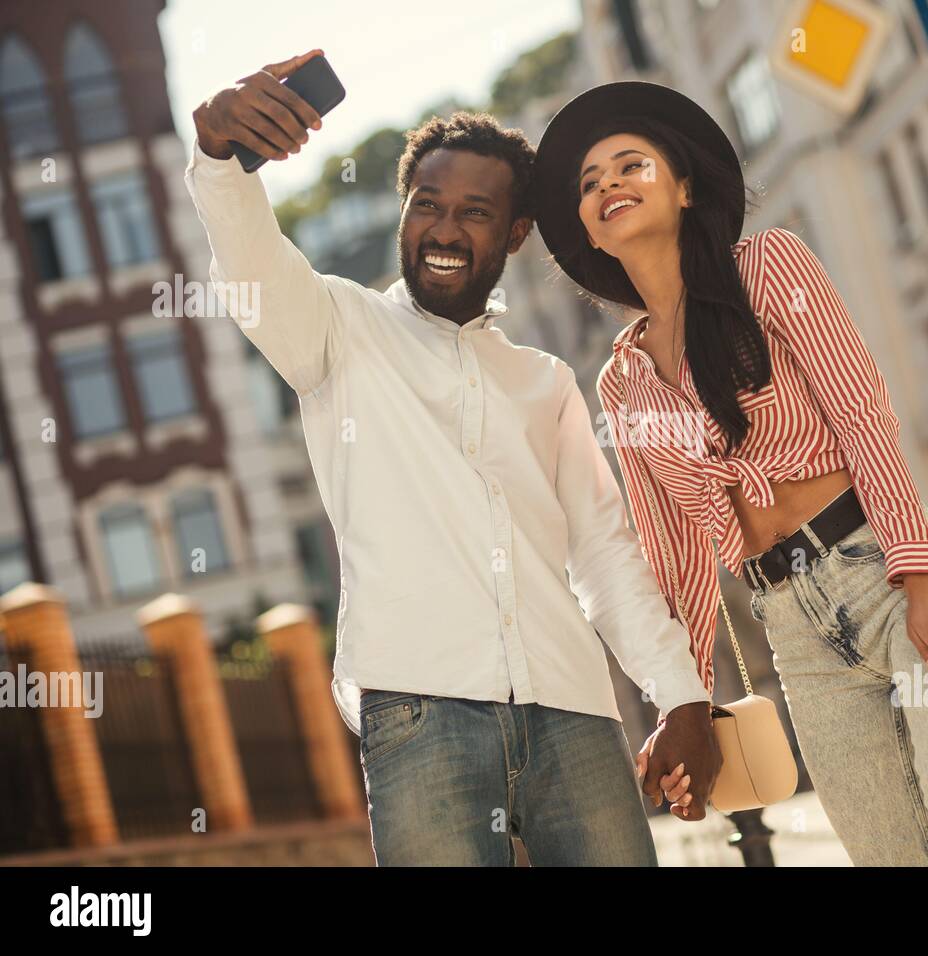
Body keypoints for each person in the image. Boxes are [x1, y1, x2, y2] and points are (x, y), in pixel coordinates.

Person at [186, 53, 720, 866]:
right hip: (420, 717)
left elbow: (604, 555)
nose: (443, 229)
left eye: (475, 213)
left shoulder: (544, 383)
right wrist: (220, 157)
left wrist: (679, 694)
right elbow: (252, 265)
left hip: (574, 714)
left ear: (513, 234)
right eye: (427, 205)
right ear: (404, 211)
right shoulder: (335, 330)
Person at [532, 81, 928, 866]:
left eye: (629, 165)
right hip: (793, 629)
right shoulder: (620, 384)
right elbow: (673, 554)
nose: (607, 185)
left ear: (684, 186)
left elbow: (862, 416)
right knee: (892, 855)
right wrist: (687, 700)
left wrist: (921, 575)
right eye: (589, 183)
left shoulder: (768, 267)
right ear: (589, 236)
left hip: (887, 571)